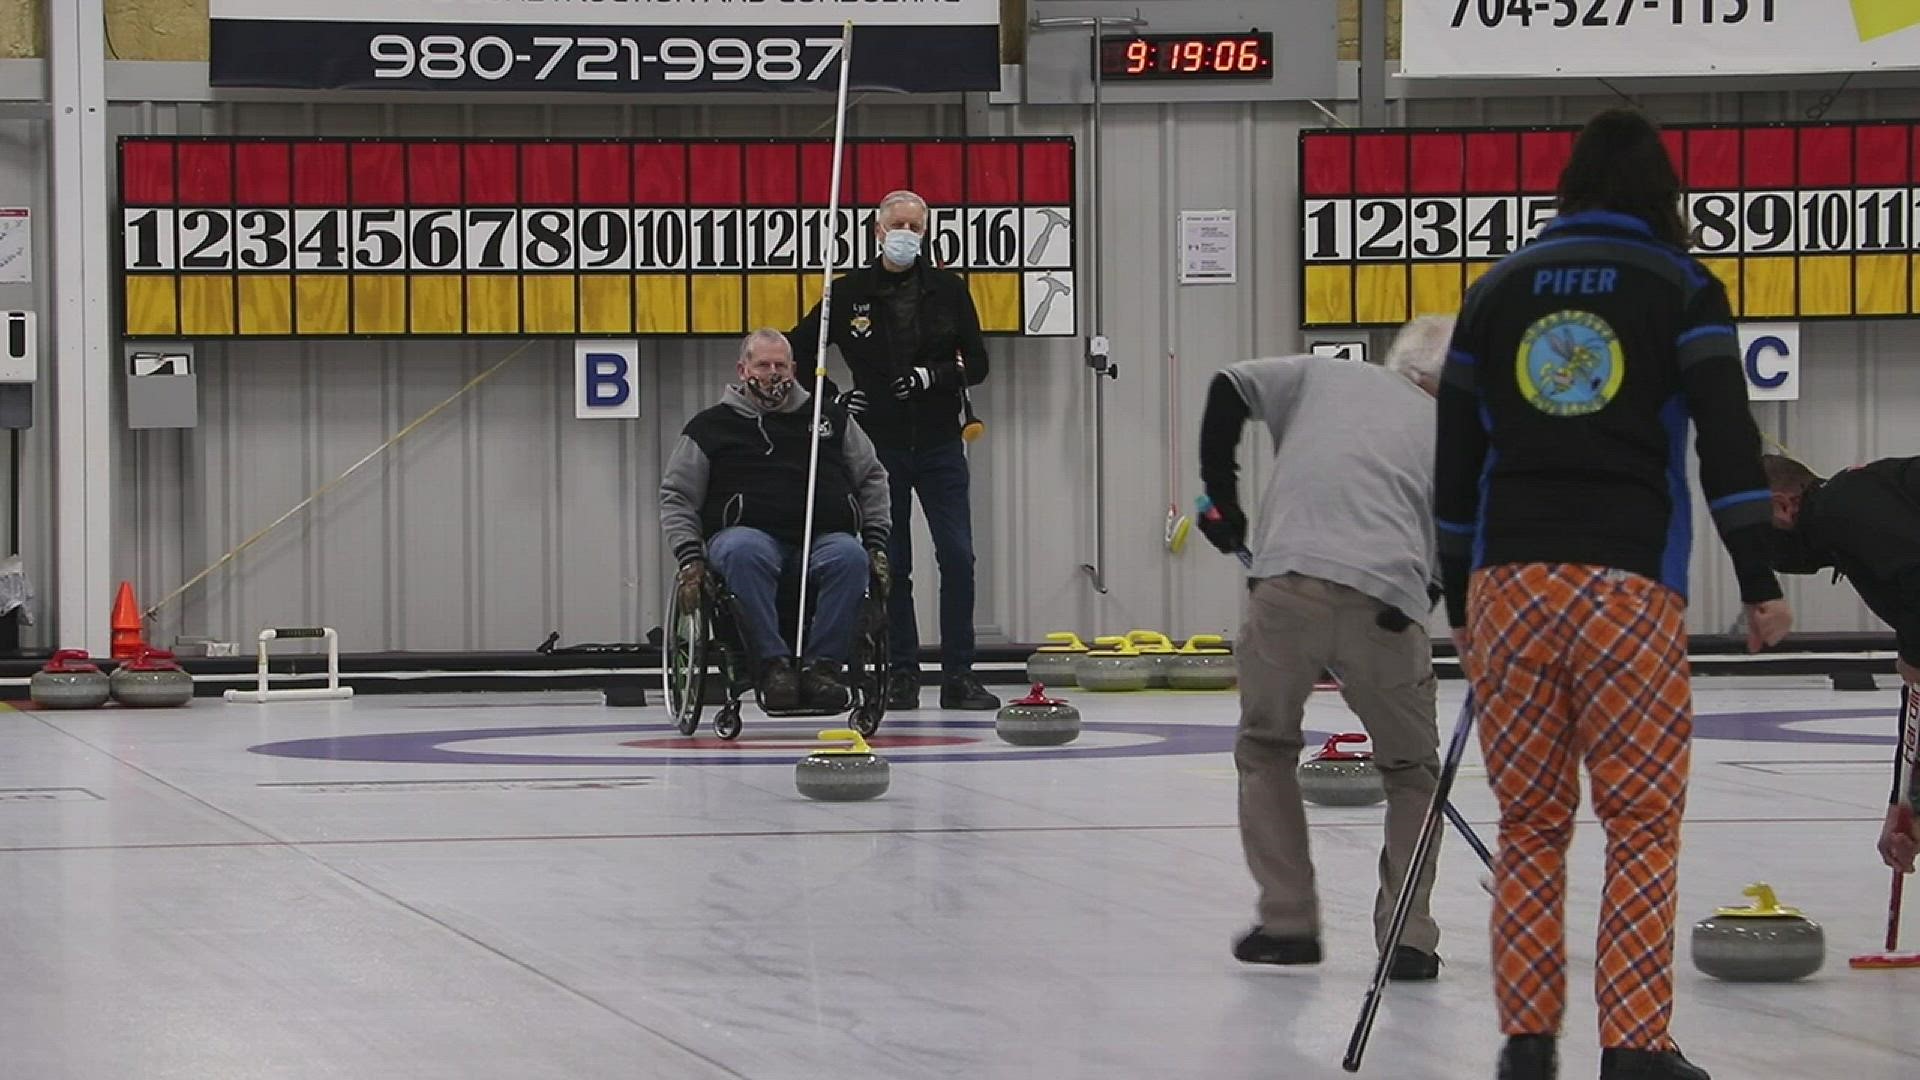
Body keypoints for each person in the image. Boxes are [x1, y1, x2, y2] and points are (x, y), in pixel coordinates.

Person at [1434, 108, 1792, 1080]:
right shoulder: (1682, 285)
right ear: (1664, 194)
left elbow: (1456, 457)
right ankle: (1635, 1048)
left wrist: (1462, 601)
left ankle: (1526, 1042)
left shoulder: (1498, 288)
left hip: (1509, 583)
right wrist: (1758, 578)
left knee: (1531, 824)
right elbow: (1727, 443)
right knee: (1638, 822)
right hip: (1626, 588)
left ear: (1570, 187)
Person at [1195, 315, 1453, 982]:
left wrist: (1223, 502)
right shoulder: (1461, 432)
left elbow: (1228, 388)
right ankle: (1408, 936)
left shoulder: (1323, 375)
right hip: (1390, 602)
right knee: (1411, 772)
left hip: (1288, 584)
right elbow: (1463, 540)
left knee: (1266, 747)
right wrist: (1425, 599)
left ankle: (1288, 924)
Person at [788, 189, 999, 711]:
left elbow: (978, 363)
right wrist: (833, 399)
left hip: (940, 440)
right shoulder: (850, 292)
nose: (905, 233)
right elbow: (795, 349)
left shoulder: (948, 290)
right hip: (877, 445)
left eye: (914, 226)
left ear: (925, 233)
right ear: (878, 231)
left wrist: (933, 376)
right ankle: (901, 672)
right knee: (890, 561)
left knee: (957, 555)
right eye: (897, 224)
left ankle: (959, 675)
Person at [659, 329, 891, 712]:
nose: (772, 374)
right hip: (746, 536)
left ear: (795, 369)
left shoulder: (830, 419)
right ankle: (771, 666)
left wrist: (876, 542)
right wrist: (689, 557)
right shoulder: (709, 427)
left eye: (780, 365)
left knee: (850, 557)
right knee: (742, 550)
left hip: (821, 537)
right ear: (742, 368)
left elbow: (873, 478)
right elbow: (677, 496)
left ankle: (824, 667)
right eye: (763, 365)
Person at [1762, 452, 1920, 873]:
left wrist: (1914, 655)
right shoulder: (1859, 514)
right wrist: (1904, 809)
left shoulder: (1845, 504)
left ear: (1784, 505)